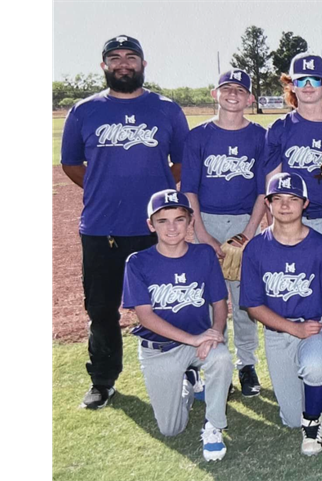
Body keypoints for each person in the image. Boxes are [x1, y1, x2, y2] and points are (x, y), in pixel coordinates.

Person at [61, 35, 190, 409]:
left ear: (143, 65)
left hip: (159, 228)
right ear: (104, 66)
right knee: (101, 309)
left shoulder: (166, 109)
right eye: (114, 58)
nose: (122, 63)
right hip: (102, 227)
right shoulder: (84, 111)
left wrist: (154, 190)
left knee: (170, 302)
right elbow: (70, 163)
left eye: (130, 57)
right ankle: (103, 380)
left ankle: (181, 372)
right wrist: (104, 186)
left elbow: (180, 162)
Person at [240, 172, 322, 456]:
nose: (285, 205)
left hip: (316, 328)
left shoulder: (321, 247)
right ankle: (320, 398)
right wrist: (293, 328)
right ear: (268, 204)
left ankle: (314, 421)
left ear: (305, 204)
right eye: (278, 199)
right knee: (290, 418)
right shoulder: (255, 248)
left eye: (293, 199)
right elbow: (253, 306)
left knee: (316, 369)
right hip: (279, 331)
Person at [122, 189, 232, 460]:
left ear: (190, 221)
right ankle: (188, 381)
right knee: (171, 429)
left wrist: (215, 332)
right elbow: (145, 317)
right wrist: (194, 340)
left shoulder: (204, 255)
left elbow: (219, 303)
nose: (172, 227)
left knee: (221, 358)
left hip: (199, 343)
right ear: (151, 224)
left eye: (179, 219)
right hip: (159, 349)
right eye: (162, 221)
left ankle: (214, 425)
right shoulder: (137, 262)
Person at [181, 69, 267, 396]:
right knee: (206, 299)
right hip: (206, 220)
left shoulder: (260, 136)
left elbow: (263, 191)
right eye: (226, 88)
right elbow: (189, 189)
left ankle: (246, 364)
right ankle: (213, 363)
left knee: (245, 301)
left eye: (240, 90)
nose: (233, 94)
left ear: (249, 98)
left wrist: (248, 233)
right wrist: (201, 233)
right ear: (215, 94)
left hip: (245, 220)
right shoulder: (198, 136)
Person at [264, 53, 322, 278]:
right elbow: (271, 187)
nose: (307, 86)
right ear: (292, 87)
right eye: (300, 80)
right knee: (296, 291)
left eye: (314, 80)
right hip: (292, 224)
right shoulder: (279, 128)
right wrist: (273, 229)